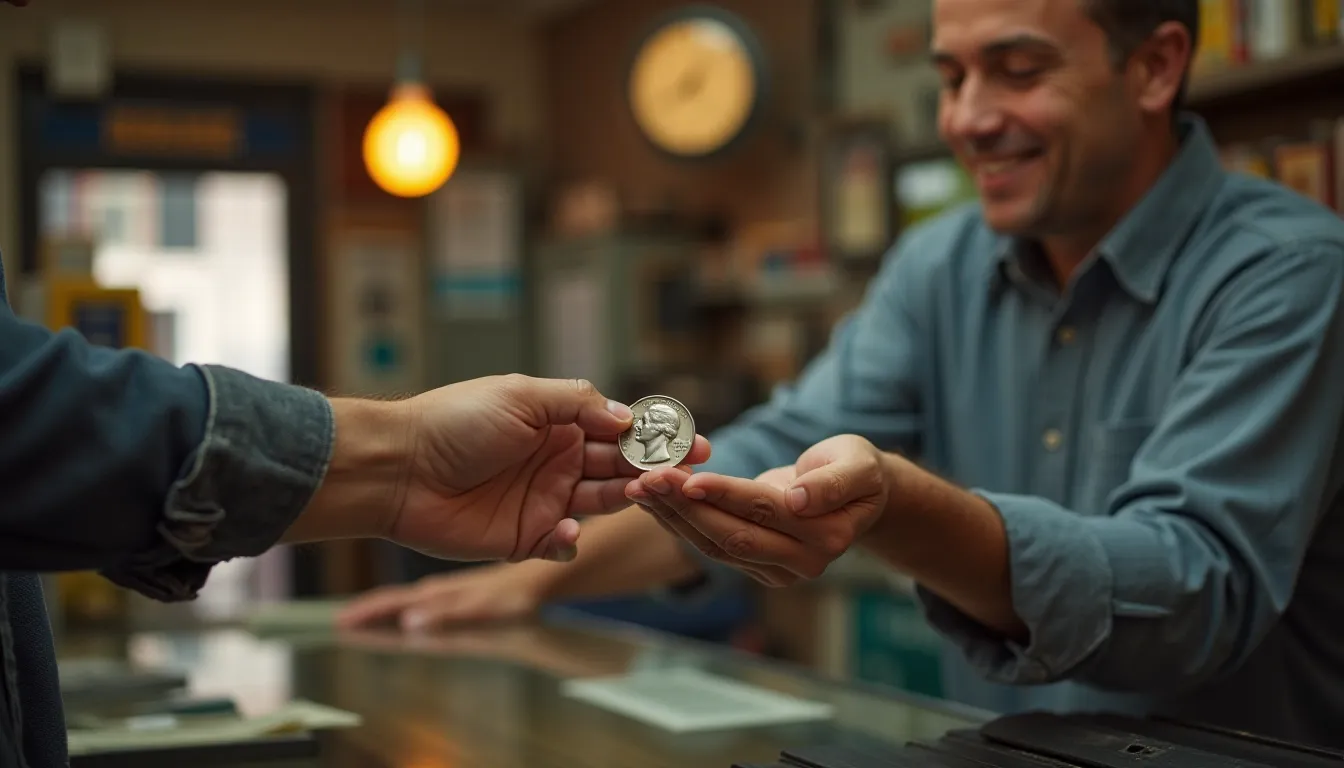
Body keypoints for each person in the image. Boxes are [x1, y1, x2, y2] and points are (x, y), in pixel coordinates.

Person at [340, 0, 1344, 748]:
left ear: (1158, 65)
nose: (969, 118)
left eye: (1018, 69)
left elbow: (1192, 593)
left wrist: (899, 507)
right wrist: (529, 588)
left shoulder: (1290, 273)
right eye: (952, 78)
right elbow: (762, 456)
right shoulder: (939, 264)